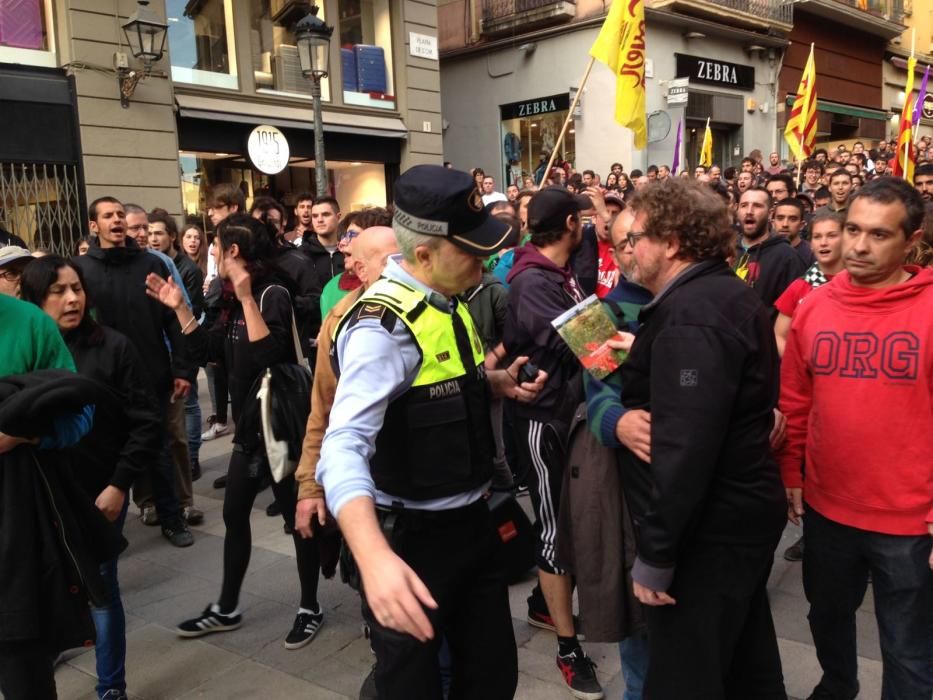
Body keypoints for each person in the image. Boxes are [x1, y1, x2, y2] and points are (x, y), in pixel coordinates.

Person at [315, 165, 546, 699]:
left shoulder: (449, 297)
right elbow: (342, 445)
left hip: (473, 524)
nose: (486, 260)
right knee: (412, 686)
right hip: (413, 541)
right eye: (471, 250)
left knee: (490, 679)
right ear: (424, 254)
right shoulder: (380, 329)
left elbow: (437, 385)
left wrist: (496, 384)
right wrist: (374, 560)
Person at [619, 179, 788, 699]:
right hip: (732, 517)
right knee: (739, 659)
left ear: (671, 242)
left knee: (686, 674)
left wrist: (657, 555)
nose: (629, 250)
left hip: (710, 530)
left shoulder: (693, 315)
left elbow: (685, 449)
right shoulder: (710, 296)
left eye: (636, 237)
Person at [779, 177, 933, 700]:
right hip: (827, 509)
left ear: (911, 242)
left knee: (909, 651)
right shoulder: (815, 306)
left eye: (879, 234)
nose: (860, 246)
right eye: (852, 230)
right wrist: (791, 474)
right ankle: (836, 687)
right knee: (826, 618)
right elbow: (796, 401)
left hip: (910, 522)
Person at [145, 214, 326, 650]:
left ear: (233, 252)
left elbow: (269, 355)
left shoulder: (272, 293)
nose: (209, 249)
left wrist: (247, 299)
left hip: (279, 426)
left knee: (296, 519)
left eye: (216, 244)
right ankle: (227, 607)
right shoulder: (226, 298)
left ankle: (309, 606)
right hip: (250, 425)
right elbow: (210, 351)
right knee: (232, 514)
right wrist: (181, 308)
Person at [21, 256, 161, 700]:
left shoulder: (113, 347)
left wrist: (120, 484)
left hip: (101, 492)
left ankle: (110, 687)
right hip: (42, 496)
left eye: (76, 288)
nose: (71, 299)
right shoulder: (28, 353)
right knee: (43, 588)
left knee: (102, 589)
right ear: (33, 302)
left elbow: (145, 420)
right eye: (57, 291)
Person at [503, 187, 604, 699]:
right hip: (546, 422)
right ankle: (568, 648)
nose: (587, 226)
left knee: (568, 525)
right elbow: (597, 346)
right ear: (569, 222)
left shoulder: (555, 271)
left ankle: (545, 607)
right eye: (582, 219)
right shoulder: (533, 280)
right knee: (553, 532)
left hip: (569, 415)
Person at [72, 197, 194, 547]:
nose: (116, 221)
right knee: (103, 455)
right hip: (99, 382)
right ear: (94, 225)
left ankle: (172, 519)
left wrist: (182, 368)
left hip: (150, 375)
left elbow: (174, 319)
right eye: (107, 216)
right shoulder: (80, 269)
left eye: (120, 215)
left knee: (159, 452)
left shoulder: (150, 263)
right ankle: (105, 528)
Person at [733, 188, 808, 318]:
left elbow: (793, 311)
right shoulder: (725, 249)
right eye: (744, 205)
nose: (749, 211)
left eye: (757, 206)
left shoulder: (787, 256)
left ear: (770, 213)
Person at [773, 198, 815, 267]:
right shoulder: (764, 251)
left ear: (802, 225)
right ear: (773, 222)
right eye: (780, 218)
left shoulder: (811, 254)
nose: (785, 224)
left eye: (792, 219)